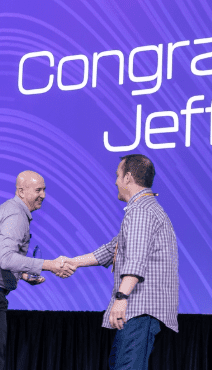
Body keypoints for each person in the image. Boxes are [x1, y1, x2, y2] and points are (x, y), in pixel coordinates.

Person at [69, 154, 179, 370]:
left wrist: (121, 298)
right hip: (140, 312)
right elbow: (111, 249)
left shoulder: (141, 212)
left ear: (128, 177)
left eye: (117, 175)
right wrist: (71, 262)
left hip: (140, 310)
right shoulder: (144, 209)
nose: (115, 182)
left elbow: (136, 259)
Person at [0, 170, 75, 370]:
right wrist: (50, 265)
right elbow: (6, 259)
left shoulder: (11, 211)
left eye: (44, 190)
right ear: (21, 191)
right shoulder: (16, 214)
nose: (43, 195)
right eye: (38, 190)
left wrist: (22, 275)